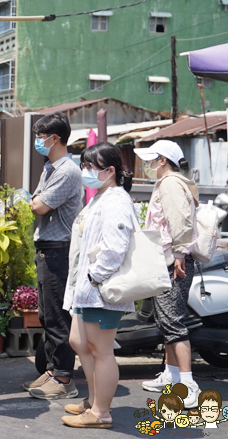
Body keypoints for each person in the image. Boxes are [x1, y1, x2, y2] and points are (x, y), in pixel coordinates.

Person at [61, 142, 135, 429]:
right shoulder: (100, 197)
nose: (85, 171)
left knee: (100, 349)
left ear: (110, 171)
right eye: (84, 165)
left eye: (91, 166)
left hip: (101, 291)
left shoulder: (116, 199)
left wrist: (95, 277)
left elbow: (116, 246)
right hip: (88, 289)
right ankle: (93, 401)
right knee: (79, 342)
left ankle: (101, 413)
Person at [136, 140, 200, 407]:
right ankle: (172, 376)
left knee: (173, 323)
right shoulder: (173, 182)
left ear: (163, 160)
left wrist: (179, 255)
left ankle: (188, 385)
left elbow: (181, 220)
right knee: (166, 323)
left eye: (152, 159)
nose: (149, 164)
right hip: (167, 260)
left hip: (173, 262)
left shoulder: (171, 183)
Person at [24, 113, 83, 400]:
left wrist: (36, 200)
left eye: (40, 137)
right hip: (48, 248)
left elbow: (39, 206)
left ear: (54, 138)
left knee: (59, 317)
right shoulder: (50, 167)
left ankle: (64, 378)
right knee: (47, 316)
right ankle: (51, 371)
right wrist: (35, 200)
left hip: (59, 250)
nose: (38, 142)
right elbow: (35, 199)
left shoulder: (67, 171)